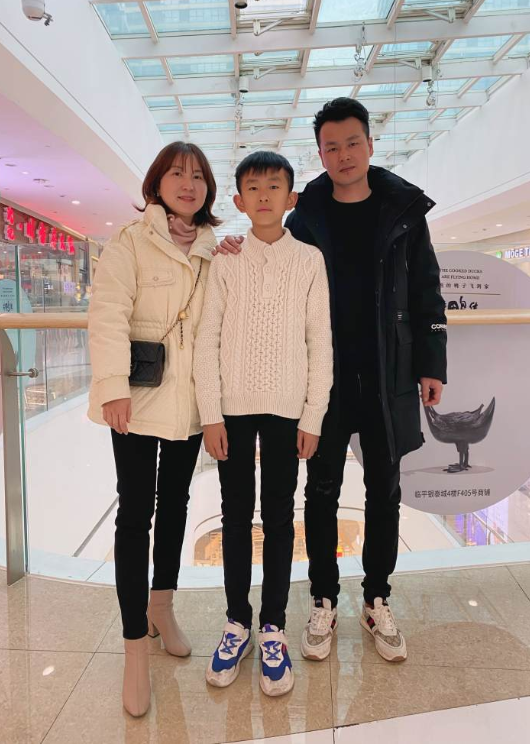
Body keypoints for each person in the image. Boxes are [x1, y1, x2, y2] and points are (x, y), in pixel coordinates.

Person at [216, 98, 447, 665]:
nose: (343, 155)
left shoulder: (403, 210)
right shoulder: (306, 213)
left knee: (384, 490)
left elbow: (427, 290)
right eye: (331, 147)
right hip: (324, 379)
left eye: (352, 143)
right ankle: (323, 597)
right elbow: (272, 258)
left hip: (389, 374)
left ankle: (376, 598)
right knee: (320, 491)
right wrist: (230, 244)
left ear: (369, 144)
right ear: (320, 154)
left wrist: (431, 363)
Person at [193, 151, 333, 696]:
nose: (264, 195)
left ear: (291, 197)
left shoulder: (310, 260)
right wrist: (210, 414)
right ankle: (237, 623)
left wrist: (313, 415)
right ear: (238, 200)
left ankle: (273, 625)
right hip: (232, 409)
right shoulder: (225, 260)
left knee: (278, 516)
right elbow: (207, 338)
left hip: (286, 409)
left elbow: (320, 342)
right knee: (234, 517)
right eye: (253, 187)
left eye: (275, 186)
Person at [88, 141, 220, 717]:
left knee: (177, 506)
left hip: (188, 403)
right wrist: (112, 384)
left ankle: (161, 606)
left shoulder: (215, 250)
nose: (188, 184)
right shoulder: (130, 241)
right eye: (177, 174)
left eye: (198, 176)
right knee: (135, 512)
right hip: (137, 402)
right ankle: (134, 647)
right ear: (157, 184)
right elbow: (108, 314)